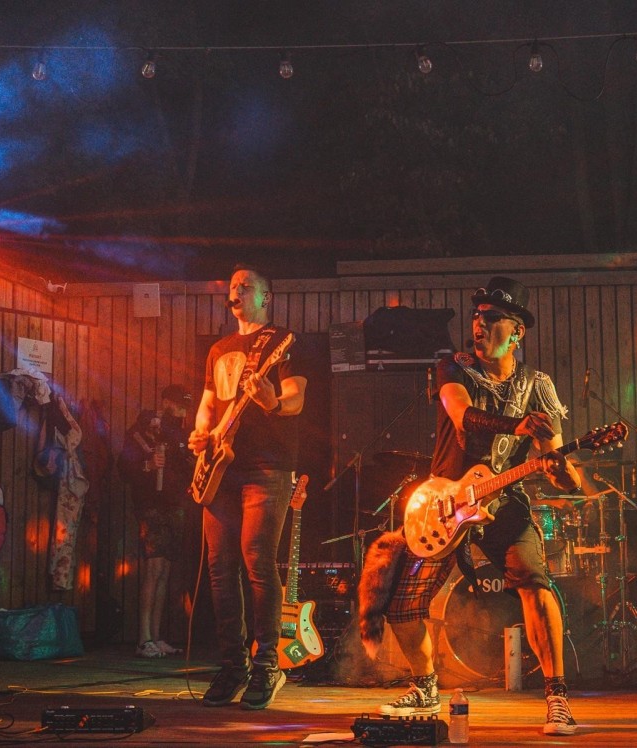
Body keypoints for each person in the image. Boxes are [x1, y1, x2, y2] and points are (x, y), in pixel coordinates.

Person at [362, 276, 583, 735]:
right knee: (402, 604)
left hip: (504, 501)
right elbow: (462, 415)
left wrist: (561, 469)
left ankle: (557, 698)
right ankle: (425, 686)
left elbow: (560, 464)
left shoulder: (538, 385)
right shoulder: (453, 367)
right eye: (476, 316)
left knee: (535, 585)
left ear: (517, 331)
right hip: (444, 501)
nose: (478, 324)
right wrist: (517, 426)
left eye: (492, 317)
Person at [188, 265, 307, 710]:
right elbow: (207, 403)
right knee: (220, 567)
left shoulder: (283, 341)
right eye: (233, 286)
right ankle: (233, 665)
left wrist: (272, 401)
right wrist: (201, 434)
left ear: (266, 297)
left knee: (257, 560)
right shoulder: (218, 349)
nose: (236, 291)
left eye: (246, 286)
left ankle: (267, 664)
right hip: (220, 467)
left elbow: (296, 398)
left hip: (267, 466)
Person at [118, 384, 193, 658]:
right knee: (154, 569)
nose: (183, 409)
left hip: (174, 506)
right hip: (151, 506)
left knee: (164, 571)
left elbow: (185, 464)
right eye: (179, 404)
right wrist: (148, 465)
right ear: (166, 402)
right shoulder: (143, 429)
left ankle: (156, 636)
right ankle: (143, 639)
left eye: (185, 405)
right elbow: (124, 468)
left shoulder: (178, 433)